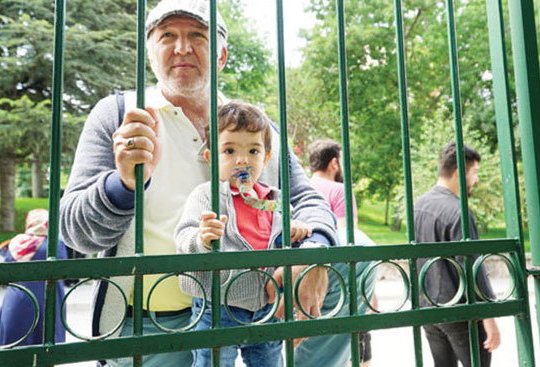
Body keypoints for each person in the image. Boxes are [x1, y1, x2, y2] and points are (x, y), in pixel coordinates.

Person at [58, 1, 336, 366]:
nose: (182, 48)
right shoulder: (117, 114)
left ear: (221, 57)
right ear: (150, 55)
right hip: (148, 324)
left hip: (248, 303)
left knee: (355, 264)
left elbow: (307, 199)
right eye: (167, 35)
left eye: (197, 36)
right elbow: (75, 233)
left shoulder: (254, 124)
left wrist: (314, 250)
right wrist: (122, 184)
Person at [175, 100, 315, 366]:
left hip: (266, 306)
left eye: (253, 150)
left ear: (266, 158)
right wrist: (202, 238)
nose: (242, 159)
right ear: (211, 158)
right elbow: (184, 237)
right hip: (216, 307)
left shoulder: (277, 201)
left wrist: (295, 231)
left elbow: (285, 245)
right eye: (229, 150)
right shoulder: (207, 196)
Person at [414, 142, 500, 367]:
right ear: (459, 172)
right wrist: (488, 316)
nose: (476, 180)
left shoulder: (418, 206)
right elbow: (472, 266)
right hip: (460, 311)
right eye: (475, 173)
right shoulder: (458, 211)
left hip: (428, 308)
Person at [307, 139, 375, 367]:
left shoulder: (302, 189)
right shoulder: (340, 191)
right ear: (334, 163)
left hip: (303, 275)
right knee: (355, 346)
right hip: (339, 280)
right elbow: (349, 239)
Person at [0, 209, 67, 346]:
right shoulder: (55, 244)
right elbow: (65, 271)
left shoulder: (16, 243)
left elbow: (5, 273)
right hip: (49, 301)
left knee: (14, 348)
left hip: (17, 301)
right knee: (46, 348)